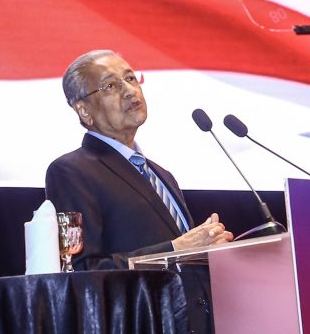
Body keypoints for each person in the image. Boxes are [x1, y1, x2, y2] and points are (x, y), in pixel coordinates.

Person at [45, 49, 233, 333]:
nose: (129, 90)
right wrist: (174, 250)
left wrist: (208, 251)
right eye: (111, 85)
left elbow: (184, 261)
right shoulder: (70, 172)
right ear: (84, 110)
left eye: (131, 78)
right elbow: (81, 271)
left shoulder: (162, 175)